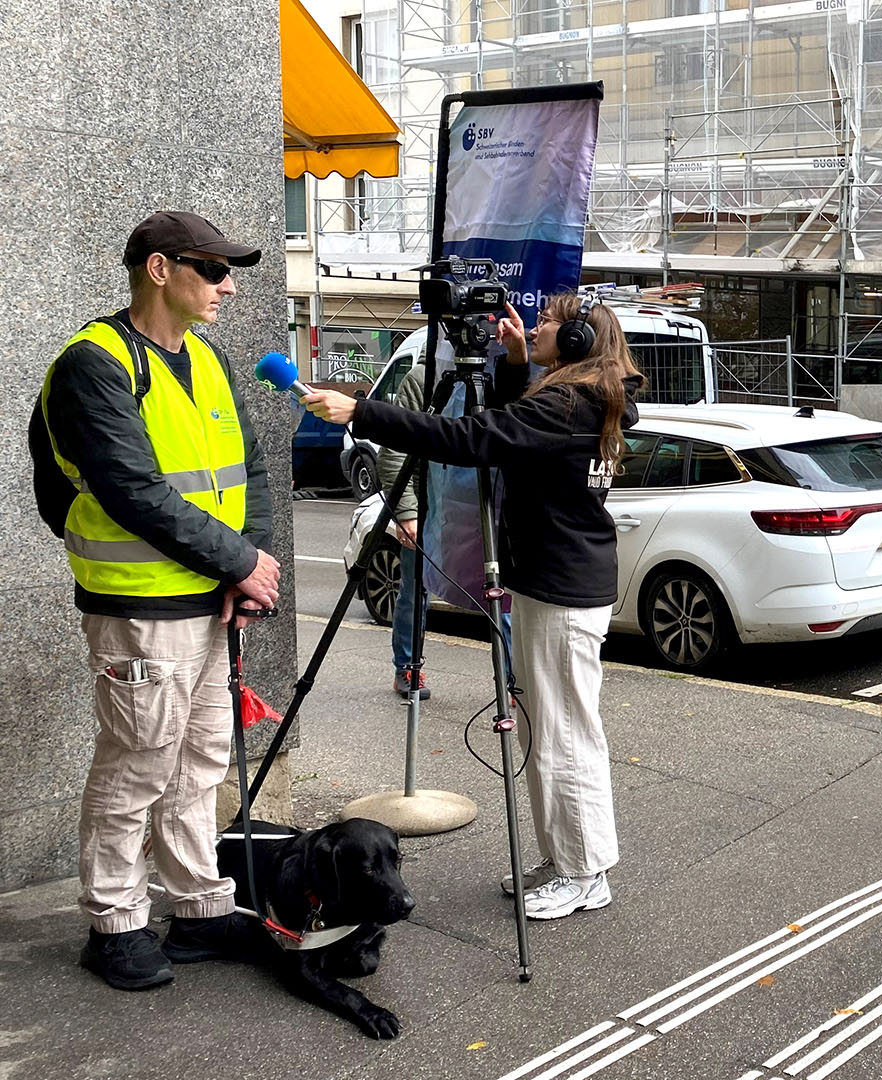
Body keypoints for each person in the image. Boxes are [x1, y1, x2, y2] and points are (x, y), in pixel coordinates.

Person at [304, 293, 644, 919]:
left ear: (576, 342)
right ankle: (566, 856)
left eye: (546, 322)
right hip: (557, 584)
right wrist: (515, 364)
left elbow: (473, 438)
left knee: (565, 737)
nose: (533, 325)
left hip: (562, 591)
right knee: (547, 734)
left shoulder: (570, 403)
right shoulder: (585, 398)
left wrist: (362, 411)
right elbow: (519, 430)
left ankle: (586, 872)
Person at [30, 211, 277, 990]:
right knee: (136, 766)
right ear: (161, 270)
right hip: (140, 605)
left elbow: (252, 469)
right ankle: (114, 922)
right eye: (214, 269)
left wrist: (251, 566)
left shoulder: (206, 356)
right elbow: (131, 491)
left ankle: (199, 907)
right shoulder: (94, 364)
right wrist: (239, 561)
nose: (229, 285)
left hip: (210, 598)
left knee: (199, 762)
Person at [376, 359, 434, 699]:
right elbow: (395, 451)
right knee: (414, 592)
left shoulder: (503, 368)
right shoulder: (423, 378)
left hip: (474, 506)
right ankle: (407, 669)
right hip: (427, 505)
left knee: (499, 597)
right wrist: (408, 513)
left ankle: (515, 678)